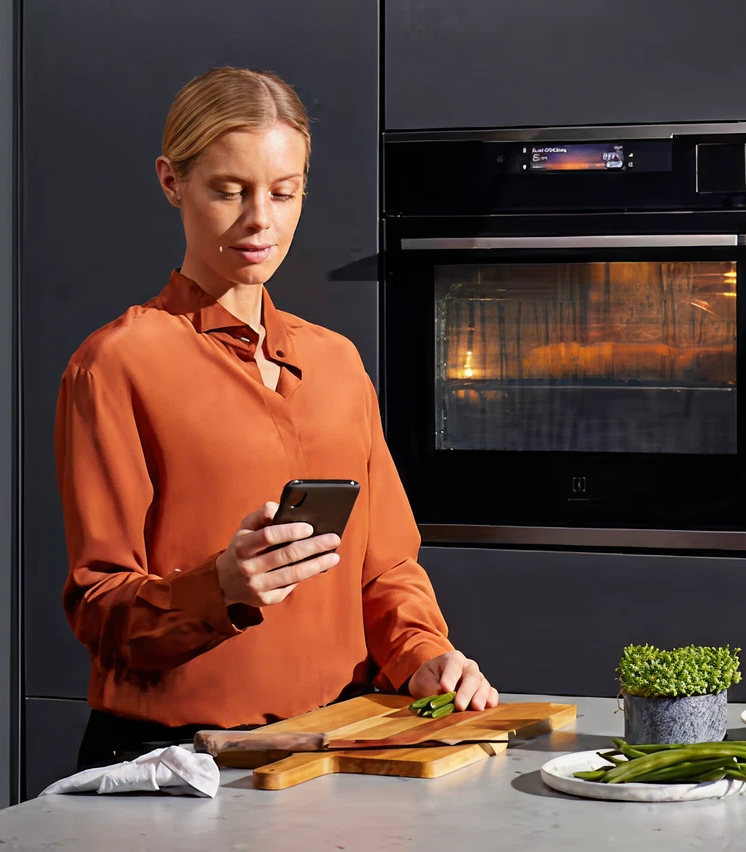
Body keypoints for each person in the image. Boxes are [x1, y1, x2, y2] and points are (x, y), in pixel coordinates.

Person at [55, 67, 497, 772]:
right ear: (172, 183)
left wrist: (426, 656)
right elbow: (100, 608)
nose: (261, 218)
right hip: (173, 763)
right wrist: (220, 589)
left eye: (284, 193)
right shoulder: (116, 365)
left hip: (338, 747)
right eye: (229, 191)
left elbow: (385, 566)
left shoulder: (337, 364)